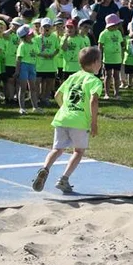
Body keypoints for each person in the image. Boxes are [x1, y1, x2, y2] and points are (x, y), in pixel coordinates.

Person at [31, 46, 103, 194]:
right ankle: (64, 179)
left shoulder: (72, 77)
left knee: (57, 149)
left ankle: (45, 168)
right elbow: (93, 100)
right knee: (78, 151)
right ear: (95, 63)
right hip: (79, 121)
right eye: (100, 61)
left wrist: (65, 108)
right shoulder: (95, 81)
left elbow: (57, 94)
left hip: (63, 118)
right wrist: (94, 123)